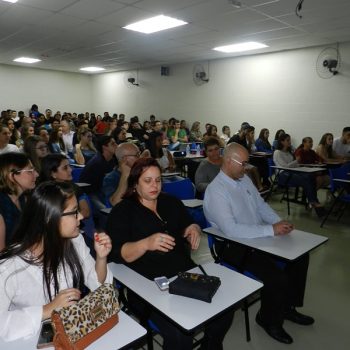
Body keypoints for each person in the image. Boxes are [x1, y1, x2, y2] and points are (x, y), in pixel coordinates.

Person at [106, 157, 233, 350]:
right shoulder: (123, 211)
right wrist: (146, 243)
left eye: (158, 180)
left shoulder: (171, 202)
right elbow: (116, 254)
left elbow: (187, 224)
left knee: (225, 310)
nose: (154, 185)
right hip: (146, 284)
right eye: (147, 181)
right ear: (134, 184)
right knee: (180, 334)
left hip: (183, 273)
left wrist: (193, 228)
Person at [204, 142, 314, 345]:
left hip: (257, 236)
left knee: (299, 258)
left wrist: (277, 222)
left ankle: (288, 307)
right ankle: (268, 320)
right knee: (276, 277)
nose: (246, 168)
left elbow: (261, 206)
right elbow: (231, 230)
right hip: (233, 245)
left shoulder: (243, 179)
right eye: (243, 163)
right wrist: (270, 230)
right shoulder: (216, 191)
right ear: (229, 161)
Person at [0, 181, 112, 341]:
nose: (80, 216)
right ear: (49, 218)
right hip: (29, 340)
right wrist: (47, 309)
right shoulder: (10, 266)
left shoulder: (74, 241)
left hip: (70, 332)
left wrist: (101, 257)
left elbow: (97, 284)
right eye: (74, 212)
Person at [273, 134, 325, 216]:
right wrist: (296, 161)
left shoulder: (289, 152)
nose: (290, 142)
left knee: (309, 176)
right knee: (306, 179)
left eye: (289, 140)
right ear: (282, 142)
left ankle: (312, 201)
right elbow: (284, 167)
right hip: (283, 175)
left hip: (292, 173)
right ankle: (314, 201)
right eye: (287, 140)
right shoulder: (277, 152)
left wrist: (300, 165)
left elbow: (295, 165)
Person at [0, 153, 38, 251]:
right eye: (30, 171)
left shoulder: (23, 199)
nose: (36, 174)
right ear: (12, 176)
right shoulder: (2, 207)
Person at [39, 154, 90, 219]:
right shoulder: (45, 194)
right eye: (65, 168)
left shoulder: (73, 187)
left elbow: (85, 212)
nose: (70, 170)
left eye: (69, 166)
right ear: (53, 174)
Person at [79, 136, 117, 211]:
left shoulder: (112, 160)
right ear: (104, 147)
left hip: (103, 190)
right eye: (113, 144)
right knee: (106, 211)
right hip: (91, 192)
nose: (117, 145)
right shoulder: (97, 163)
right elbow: (100, 185)